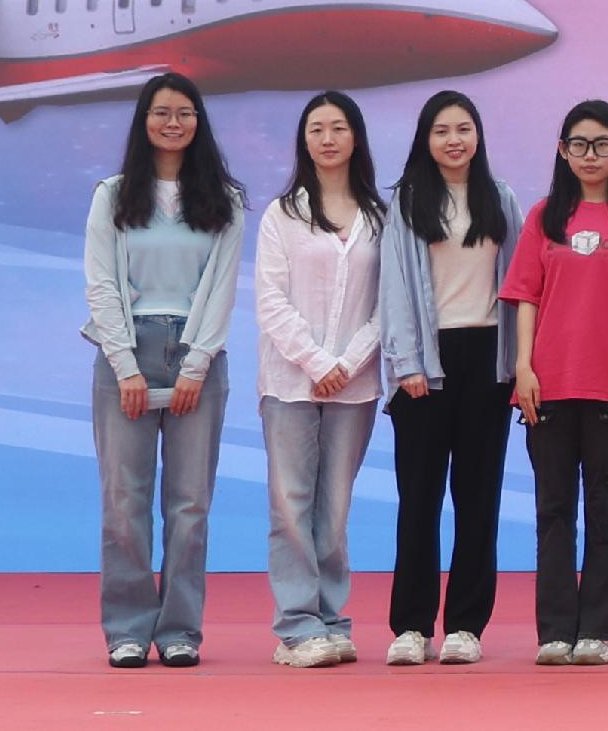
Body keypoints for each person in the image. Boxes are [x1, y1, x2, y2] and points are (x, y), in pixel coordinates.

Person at [84, 73, 245, 669]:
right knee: (124, 502)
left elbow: (221, 287)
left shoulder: (224, 199)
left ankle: (179, 630)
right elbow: (101, 282)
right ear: (144, 121)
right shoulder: (113, 194)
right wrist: (125, 365)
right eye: (161, 113)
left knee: (189, 504)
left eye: (184, 113)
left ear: (199, 122)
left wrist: (196, 364)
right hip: (125, 353)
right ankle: (127, 629)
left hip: (197, 355)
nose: (172, 123)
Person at [376, 89, 524, 666]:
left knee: (478, 498)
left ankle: (466, 625)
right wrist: (406, 363)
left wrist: (518, 363)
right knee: (419, 499)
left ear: (478, 135)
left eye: (464, 129)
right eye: (442, 131)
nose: (454, 140)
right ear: (426, 139)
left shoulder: (500, 197)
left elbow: (520, 284)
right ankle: (412, 626)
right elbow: (394, 285)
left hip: (488, 360)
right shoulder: (409, 200)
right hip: (426, 364)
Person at [503, 100, 608, 667]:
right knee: (553, 510)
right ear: (563, 151)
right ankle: (556, 631)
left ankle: (599, 631)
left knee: (607, 508)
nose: (591, 155)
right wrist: (524, 369)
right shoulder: (545, 216)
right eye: (580, 144)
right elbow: (526, 297)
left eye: (602, 144)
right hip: (548, 387)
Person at [254, 91, 387, 670]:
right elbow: (270, 300)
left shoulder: (380, 217)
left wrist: (347, 364)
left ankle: (331, 620)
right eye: (316, 129)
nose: (327, 139)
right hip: (289, 382)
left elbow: (388, 305)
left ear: (356, 137)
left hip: (354, 387)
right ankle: (296, 627)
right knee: (291, 504)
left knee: (333, 510)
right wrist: (316, 362)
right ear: (303, 140)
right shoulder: (281, 215)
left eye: (338, 128)